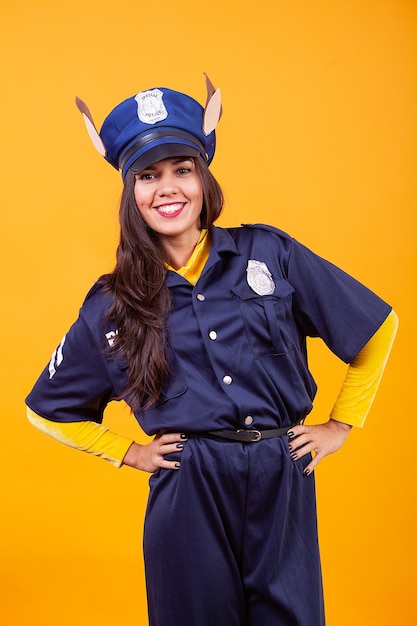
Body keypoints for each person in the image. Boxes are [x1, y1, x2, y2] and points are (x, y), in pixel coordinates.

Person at [26, 75, 398, 626]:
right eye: (147, 176)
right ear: (131, 192)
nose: (167, 188)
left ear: (204, 178)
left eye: (182, 168)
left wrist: (341, 425)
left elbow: (375, 326)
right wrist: (130, 452)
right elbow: (46, 407)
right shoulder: (112, 304)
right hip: (189, 486)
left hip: (281, 470)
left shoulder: (269, 252)